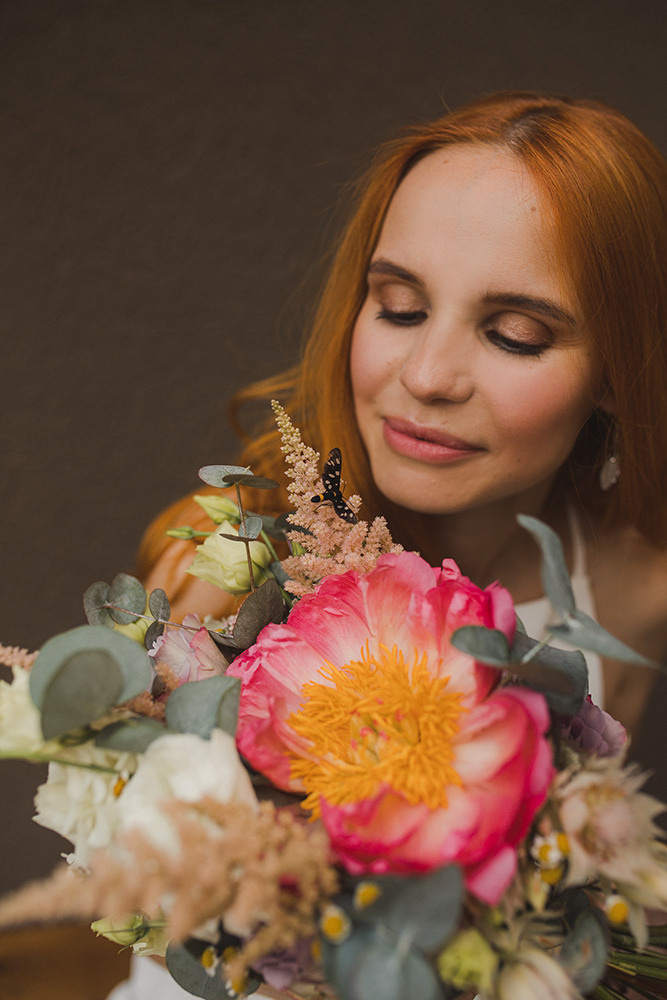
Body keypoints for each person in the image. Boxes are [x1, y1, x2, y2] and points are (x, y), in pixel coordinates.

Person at [139, 91, 667, 743]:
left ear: (617, 372)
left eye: (514, 335)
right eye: (399, 307)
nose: (425, 376)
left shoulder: (640, 596)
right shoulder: (223, 571)